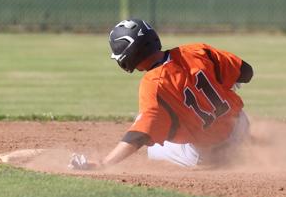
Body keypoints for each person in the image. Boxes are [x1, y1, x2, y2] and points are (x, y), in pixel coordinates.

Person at [69, 18, 253, 170]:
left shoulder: (153, 85)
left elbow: (139, 135)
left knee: (152, 141)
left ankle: (229, 157)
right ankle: (249, 144)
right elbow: (246, 72)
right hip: (241, 128)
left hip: (213, 154)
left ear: (127, 56)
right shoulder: (195, 50)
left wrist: (103, 163)